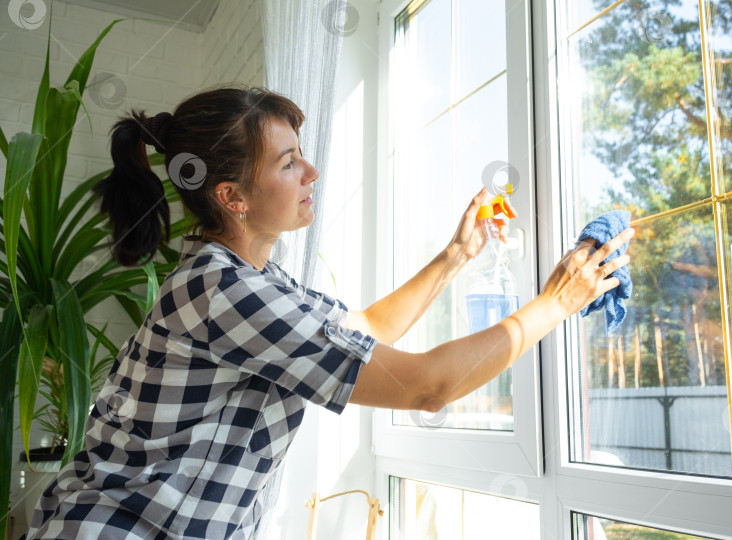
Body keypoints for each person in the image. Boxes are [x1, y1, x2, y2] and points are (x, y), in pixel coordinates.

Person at [25, 85, 633, 539]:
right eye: (288, 162)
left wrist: (454, 256)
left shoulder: (257, 280)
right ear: (231, 197)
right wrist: (557, 302)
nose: (311, 172)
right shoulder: (222, 291)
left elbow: (362, 331)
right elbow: (426, 387)